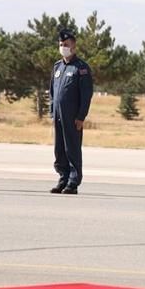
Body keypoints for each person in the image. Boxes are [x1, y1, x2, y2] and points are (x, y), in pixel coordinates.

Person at [49, 29, 93, 195]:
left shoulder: (81, 68)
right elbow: (52, 92)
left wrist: (81, 116)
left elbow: (86, 94)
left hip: (72, 117)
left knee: (72, 148)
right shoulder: (57, 66)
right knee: (59, 149)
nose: (63, 47)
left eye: (66, 44)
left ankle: (73, 182)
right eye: (61, 44)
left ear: (73, 45)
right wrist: (52, 113)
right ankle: (63, 178)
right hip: (58, 117)